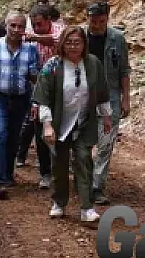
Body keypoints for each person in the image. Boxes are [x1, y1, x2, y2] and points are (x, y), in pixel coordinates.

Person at [36, 26, 112, 223]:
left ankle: (87, 207)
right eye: (68, 42)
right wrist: (47, 124)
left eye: (77, 42)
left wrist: (106, 117)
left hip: (84, 121)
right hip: (59, 122)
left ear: (84, 44)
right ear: (62, 43)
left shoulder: (93, 63)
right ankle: (59, 202)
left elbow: (102, 93)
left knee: (84, 160)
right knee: (59, 164)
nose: (73, 47)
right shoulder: (52, 65)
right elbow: (43, 98)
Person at [0, 10, 40, 200]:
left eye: (20, 26)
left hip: (20, 98)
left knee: (14, 136)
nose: (16, 29)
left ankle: (8, 173)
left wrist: (36, 100)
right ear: (6, 26)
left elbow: (35, 79)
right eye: (13, 25)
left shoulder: (31, 50)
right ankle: (0, 181)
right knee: (0, 133)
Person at [85, 1, 131, 206]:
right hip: (82, 96)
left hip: (110, 95)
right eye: (93, 21)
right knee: (81, 142)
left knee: (106, 143)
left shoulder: (117, 39)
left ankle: (97, 186)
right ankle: (83, 179)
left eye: (101, 21)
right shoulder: (78, 38)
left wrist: (126, 98)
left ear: (107, 19)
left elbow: (124, 70)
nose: (96, 25)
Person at [16, 4, 63, 187]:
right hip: (38, 85)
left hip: (61, 86)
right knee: (39, 127)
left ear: (49, 21)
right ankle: (45, 172)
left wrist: (35, 37)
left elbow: (56, 41)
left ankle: (60, 167)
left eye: (40, 24)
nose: (36, 28)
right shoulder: (31, 33)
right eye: (34, 25)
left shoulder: (59, 29)